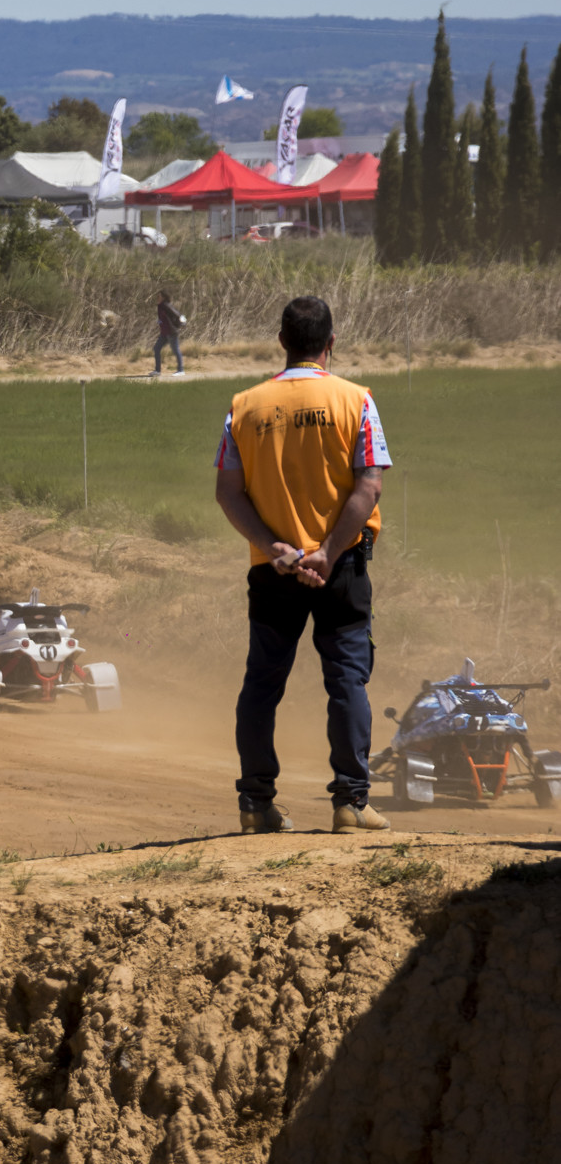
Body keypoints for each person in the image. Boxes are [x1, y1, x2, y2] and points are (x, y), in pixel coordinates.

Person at [213, 294, 393, 836]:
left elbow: (228, 493)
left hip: (275, 571)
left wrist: (278, 550)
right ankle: (350, 802)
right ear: (330, 343)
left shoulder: (243, 406)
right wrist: (328, 551)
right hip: (340, 568)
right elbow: (370, 484)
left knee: (262, 685)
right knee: (346, 682)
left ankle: (255, 804)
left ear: (283, 342)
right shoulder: (356, 399)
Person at [154, 290, 186, 375]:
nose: (157, 298)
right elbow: (161, 319)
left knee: (175, 350)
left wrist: (183, 322)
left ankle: (181, 370)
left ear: (163, 297)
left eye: (159, 296)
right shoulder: (160, 306)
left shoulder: (166, 305)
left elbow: (178, 314)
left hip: (171, 332)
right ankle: (157, 371)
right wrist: (159, 323)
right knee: (156, 348)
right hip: (164, 333)